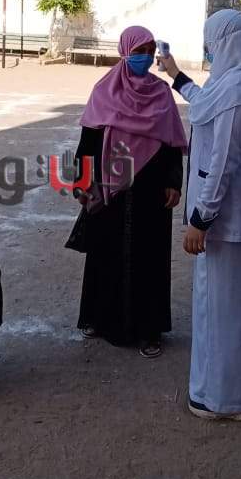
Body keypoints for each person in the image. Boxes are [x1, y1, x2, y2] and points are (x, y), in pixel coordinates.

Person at [160, 9, 241, 421]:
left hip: (228, 218)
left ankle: (228, 401)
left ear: (223, 44)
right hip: (234, 215)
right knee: (224, 307)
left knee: (224, 310)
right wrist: (176, 75)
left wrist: (200, 219)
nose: (209, 52)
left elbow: (222, 162)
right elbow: (205, 103)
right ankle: (223, 391)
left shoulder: (238, 90)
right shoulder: (237, 83)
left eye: (211, 44)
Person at [73, 25, 187, 357]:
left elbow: (171, 142)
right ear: (124, 52)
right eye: (138, 52)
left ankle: (149, 330)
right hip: (111, 188)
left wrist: (174, 182)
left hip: (151, 189)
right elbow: (89, 141)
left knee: (149, 258)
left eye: (149, 52)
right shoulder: (104, 90)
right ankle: (99, 318)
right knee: (105, 253)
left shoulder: (161, 93)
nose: (145, 58)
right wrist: (83, 182)